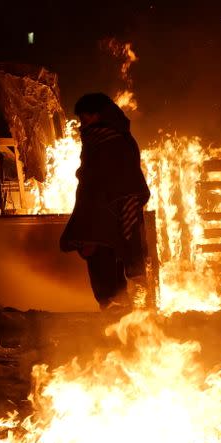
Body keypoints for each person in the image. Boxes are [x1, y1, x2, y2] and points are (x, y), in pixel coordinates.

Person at [60, 93, 150, 309]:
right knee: (98, 260)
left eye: (86, 118)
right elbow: (90, 176)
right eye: (81, 120)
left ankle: (123, 314)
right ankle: (111, 313)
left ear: (100, 115)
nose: (83, 124)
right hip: (92, 209)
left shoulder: (119, 140)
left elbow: (127, 177)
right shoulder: (93, 141)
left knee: (111, 258)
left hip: (113, 209)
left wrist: (114, 202)